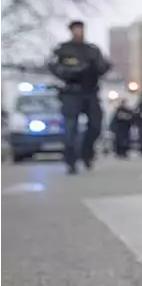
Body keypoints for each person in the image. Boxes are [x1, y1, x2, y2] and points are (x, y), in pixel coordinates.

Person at [47, 20, 110, 174]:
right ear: (71, 31)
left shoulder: (92, 50)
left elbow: (103, 67)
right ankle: (71, 161)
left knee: (96, 126)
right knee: (70, 128)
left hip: (90, 92)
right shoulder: (63, 50)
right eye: (75, 30)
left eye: (80, 30)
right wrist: (73, 71)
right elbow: (54, 67)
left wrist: (97, 66)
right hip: (71, 92)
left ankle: (87, 153)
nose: (78, 33)